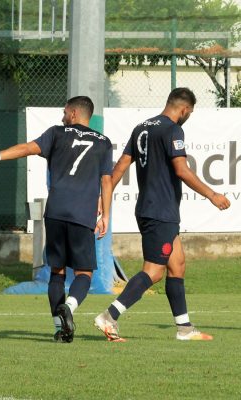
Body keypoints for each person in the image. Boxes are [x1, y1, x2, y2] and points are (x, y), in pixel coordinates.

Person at [0, 96, 113, 343]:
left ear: (75, 113)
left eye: (65, 111)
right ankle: (69, 306)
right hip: (82, 214)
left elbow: (26, 148)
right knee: (84, 274)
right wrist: (106, 215)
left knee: (56, 272)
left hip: (56, 211)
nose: (62, 116)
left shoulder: (57, 133)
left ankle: (60, 328)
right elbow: (107, 181)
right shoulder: (103, 142)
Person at [93, 87, 231, 342]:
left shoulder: (142, 127)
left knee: (176, 265)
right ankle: (109, 316)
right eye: (189, 112)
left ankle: (185, 329)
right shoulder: (172, 129)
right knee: (154, 271)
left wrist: (104, 196)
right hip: (161, 211)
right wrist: (212, 195)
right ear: (184, 109)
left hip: (149, 208)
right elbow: (182, 169)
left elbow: (121, 166)